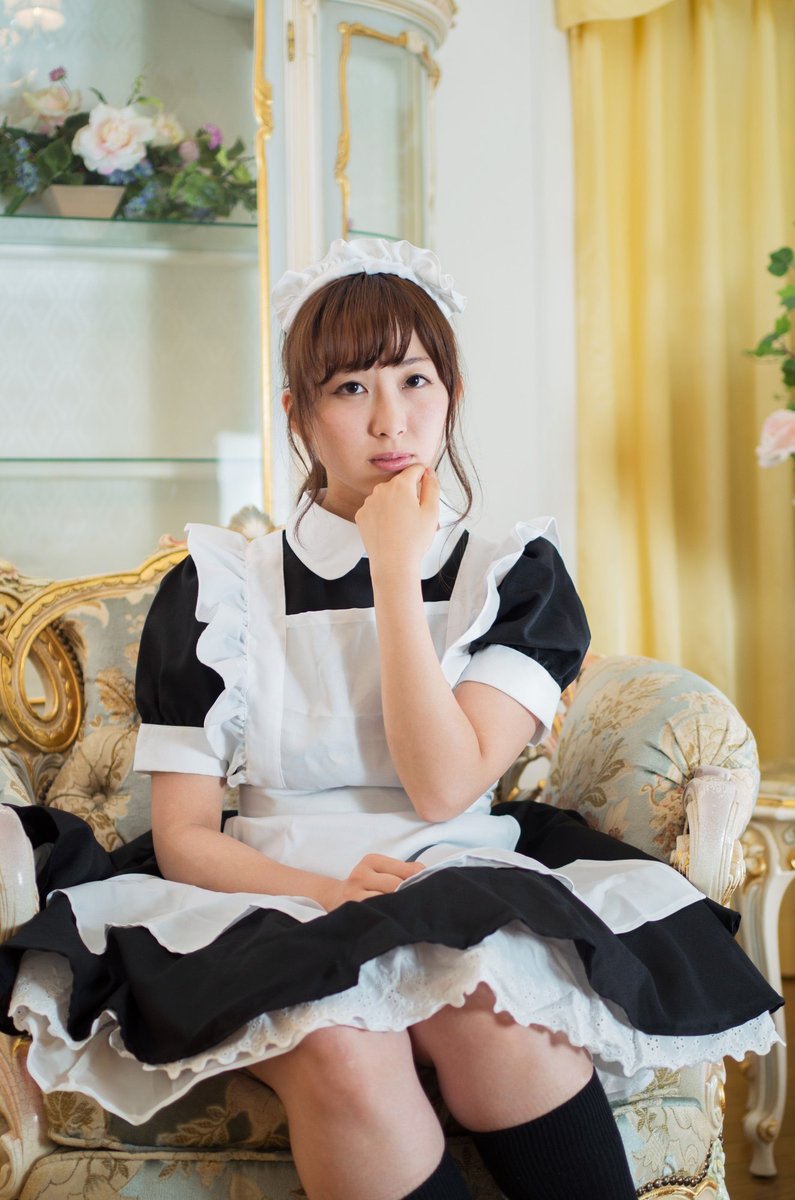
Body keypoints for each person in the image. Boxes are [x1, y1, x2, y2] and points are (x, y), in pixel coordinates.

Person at [0, 238, 783, 1200]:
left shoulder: (511, 575)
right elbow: (187, 837)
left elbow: (443, 786)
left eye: (415, 379)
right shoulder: (217, 594)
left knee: (494, 1021)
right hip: (268, 893)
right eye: (349, 388)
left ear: (452, 393)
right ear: (297, 413)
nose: (390, 419)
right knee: (342, 1046)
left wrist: (395, 572)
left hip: (458, 869)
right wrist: (325, 893)